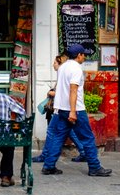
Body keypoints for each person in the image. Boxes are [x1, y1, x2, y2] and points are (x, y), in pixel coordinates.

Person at [40, 43, 112, 177]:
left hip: (61, 108)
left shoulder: (63, 67)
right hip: (75, 109)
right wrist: (73, 111)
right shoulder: (76, 69)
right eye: (83, 54)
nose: (84, 57)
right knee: (88, 138)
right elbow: (73, 89)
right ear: (79, 55)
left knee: (58, 137)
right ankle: (95, 167)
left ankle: (49, 166)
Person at [33, 53, 86, 162]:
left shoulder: (66, 73)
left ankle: (47, 159)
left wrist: (53, 93)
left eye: (55, 63)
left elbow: (69, 92)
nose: (53, 65)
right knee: (65, 132)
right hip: (63, 109)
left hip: (63, 110)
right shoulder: (66, 73)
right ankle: (48, 160)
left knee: (56, 132)